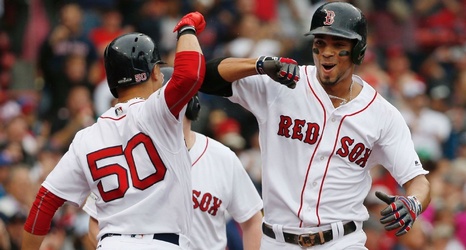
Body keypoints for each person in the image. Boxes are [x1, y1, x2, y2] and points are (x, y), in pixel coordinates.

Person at [199, 2, 431, 249]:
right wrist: (258, 64)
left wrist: (413, 203)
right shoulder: (283, 82)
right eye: (320, 43)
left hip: (342, 241)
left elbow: (418, 181)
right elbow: (204, 78)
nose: (327, 52)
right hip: (277, 241)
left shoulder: (382, 114)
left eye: (338, 45)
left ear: (358, 51)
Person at [21, 11, 206, 250]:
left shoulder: (85, 137)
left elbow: (44, 203)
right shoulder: (160, 110)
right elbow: (191, 74)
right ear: (155, 73)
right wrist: (187, 28)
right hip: (164, 242)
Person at [84, 67, 264, 250]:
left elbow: (252, 221)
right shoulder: (125, 155)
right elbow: (95, 222)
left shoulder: (222, 157)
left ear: (192, 105)